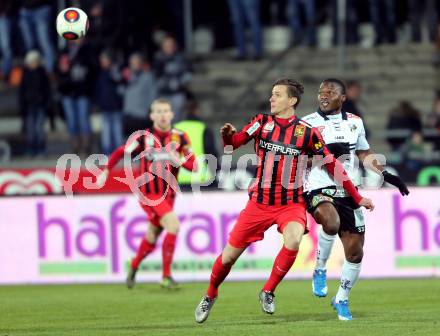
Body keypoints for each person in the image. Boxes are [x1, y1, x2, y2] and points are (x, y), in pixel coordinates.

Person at [194, 78, 374, 324]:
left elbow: (334, 166)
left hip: (291, 203)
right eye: (272, 94)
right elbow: (234, 144)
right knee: (228, 258)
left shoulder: (307, 133)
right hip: (259, 204)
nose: (271, 99)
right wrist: (227, 137)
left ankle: (268, 291)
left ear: (292, 101)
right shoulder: (261, 123)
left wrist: (358, 196)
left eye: (277, 95)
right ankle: (210, 293)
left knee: (293, 239)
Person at [302, 78, 409, 321]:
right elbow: (298, 160)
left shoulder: (355, 122)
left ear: (343, 98)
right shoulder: (307, 123)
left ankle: (341, 298)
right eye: (321, 92)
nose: (324, 95)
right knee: (330, 222)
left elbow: (363, 153)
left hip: (349, 190)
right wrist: (326, 156)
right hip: (319, 185)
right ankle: (320, 269)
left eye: (330, 92)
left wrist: (385, 173)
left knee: (355, 253)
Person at [97, 98, 198, 289]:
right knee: (173, 225)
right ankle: (166, 277)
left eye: (166, 111)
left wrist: (180, 162)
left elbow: (195, 166)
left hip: (169, 195)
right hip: (149, 195)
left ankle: (134, 265)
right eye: (158, 111)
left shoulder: (180, 137)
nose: (162, 115)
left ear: (172, 114)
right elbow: (121, 152)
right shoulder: (143, 137)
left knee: (153, 234)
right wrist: (106, 170)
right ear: (152, 116)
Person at [19, 50, 51, 156]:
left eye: (35, 61)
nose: (34, 63)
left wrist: (46, 104)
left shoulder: (42, 73)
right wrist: (22, 106)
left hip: (40, 105)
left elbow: (47, 90)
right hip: (29, 105)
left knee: (39, 128)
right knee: (31, 129)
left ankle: (41, 149)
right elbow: (22, 91)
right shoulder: (25, 74)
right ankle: (31, 149)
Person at [153, 36, 192, 121]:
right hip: (163, 94)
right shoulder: (159, 59)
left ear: (175, 46)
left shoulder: (181, 58)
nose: (169, 48)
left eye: (171, 45)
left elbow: (188, 74)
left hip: (177, 94)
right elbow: (155, 77)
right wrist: (165, 83)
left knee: (177, 118)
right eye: (166, 45)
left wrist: (179, 83)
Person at [95, 50, 124, 155]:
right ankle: (107, 152)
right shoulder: (101, 73)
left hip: (116, 106)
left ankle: (119, 152)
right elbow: (98, 90)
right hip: (105, 107)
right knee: (106, 131)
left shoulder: (115, 71)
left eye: (104, 60)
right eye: (101, 60)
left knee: (117, 130)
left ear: (110, 60)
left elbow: (120, 83)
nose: (102, 62)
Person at [123, 52, 157, 136]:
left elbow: (153, 95)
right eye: (132, 63)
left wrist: (149, 110)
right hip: (129, 115)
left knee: (143, 142)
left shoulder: (148, 76)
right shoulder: (127, 77)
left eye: (137, 62)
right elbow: (122, 93)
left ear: (141, 63)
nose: (134, 64)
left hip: (142, 116)